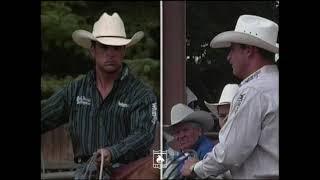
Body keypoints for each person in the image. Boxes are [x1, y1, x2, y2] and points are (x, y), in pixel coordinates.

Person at [41, 12, 158, 179]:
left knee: (159, 164)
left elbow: (144, 135)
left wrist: (113, 152)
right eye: (104, 46)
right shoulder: (75, 90)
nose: (110, 53)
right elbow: (44, 116)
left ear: (124, 51)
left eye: (116, 47)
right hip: (87, 170)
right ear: (93, 50)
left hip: (129, 172)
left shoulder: (141, 94)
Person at [181, 14, 279, 179]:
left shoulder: (253, 91)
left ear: (248, 50)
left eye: (232, 49)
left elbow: (230, 153)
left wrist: (195, 168)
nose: (229, 57)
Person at [162, 103, 215, 179]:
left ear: (199, 131)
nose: (181, 136)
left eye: (185, 130)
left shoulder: (208, 151)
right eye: (177, 132)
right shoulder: (186, 152)